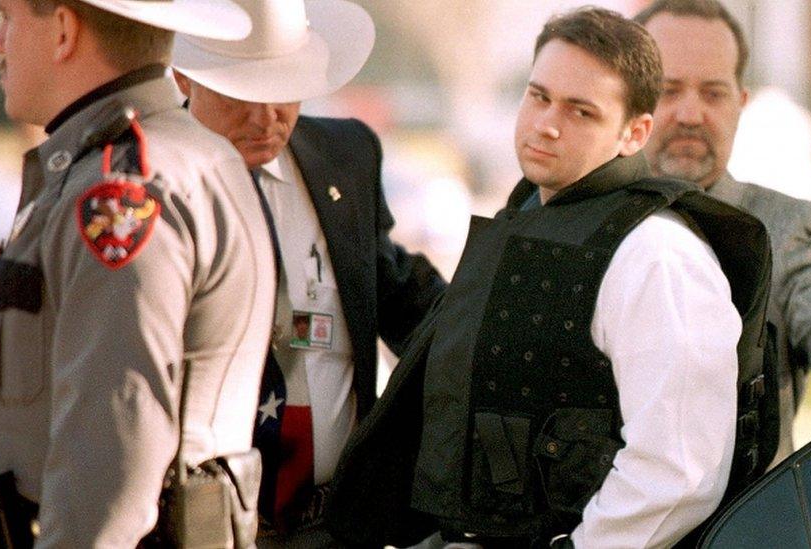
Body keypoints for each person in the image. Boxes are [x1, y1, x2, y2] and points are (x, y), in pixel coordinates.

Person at [325, 7, 774, 548]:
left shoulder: (658, 255)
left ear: (635, 133)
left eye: (581, 111)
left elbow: (677, 472)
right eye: (538, 96)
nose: (546, 124)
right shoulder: (534, 212)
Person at [0, 0, 276, 546]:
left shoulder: (120, 192)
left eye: (7, 19)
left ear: (63, 30)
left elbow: (108, 461)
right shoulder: (179, 158)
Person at [170, 0, 446, 545]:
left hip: (334, 523)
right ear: (186, 76)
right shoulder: (145, 174)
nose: (266, 117)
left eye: (285, 89)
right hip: (202, 525)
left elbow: (402, 299)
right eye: (242, 94)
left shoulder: (345, 155)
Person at [633, 0, 811, 461]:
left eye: (713, 93)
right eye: (668, 90)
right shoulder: (583, 215)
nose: (690, 113)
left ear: (741, 104)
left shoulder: (783, 228)